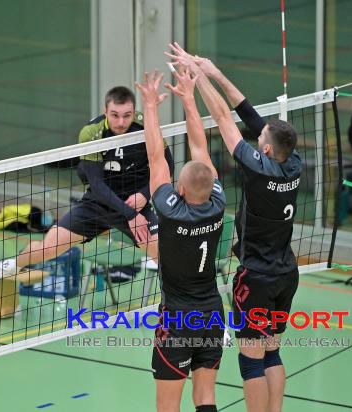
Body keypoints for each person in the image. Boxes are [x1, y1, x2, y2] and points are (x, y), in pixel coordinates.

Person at [166, 43, 301, 412]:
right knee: (272, 351)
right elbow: (247, 114)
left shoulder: (258, 167)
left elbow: (225, 119)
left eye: (261, 139)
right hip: (286, 271)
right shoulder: (293, 163)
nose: (257, 136)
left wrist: (198, 76)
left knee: (251, 360)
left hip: (256, 276)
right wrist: (215, 71)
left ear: (267, 150)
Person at [0, 86, 173, 282]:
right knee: (49, 247)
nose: (121, 122)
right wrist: (129, 214)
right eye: (115, 115)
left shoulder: (146, 125)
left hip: (135, 204)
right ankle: (11, 266)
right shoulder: (92, 132)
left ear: (134, 112)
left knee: (165, 255)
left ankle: (179, 301)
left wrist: (144, 195)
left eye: (127, 115)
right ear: (105, 111)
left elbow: (168, 167)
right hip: (98, 204)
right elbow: (96, 185)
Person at [136, 69, 226, 412]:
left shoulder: (170, 210)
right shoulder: (217, 204)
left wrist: (151, 105)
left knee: (167, 406)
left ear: (182, 189)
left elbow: (156, 157)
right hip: (212, 313)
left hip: (178, 318)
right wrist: (189, 99)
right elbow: (200, 147)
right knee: (205, 399)